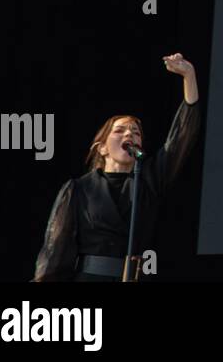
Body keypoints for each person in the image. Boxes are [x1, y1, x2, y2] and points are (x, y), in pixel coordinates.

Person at [32, 53, 202, 282]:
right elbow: (55, 249)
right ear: (101, 148)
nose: (130, 134)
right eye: (120, 130)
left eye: (136, 132)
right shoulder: (79, 189)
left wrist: (189, 76)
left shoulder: (149, 179)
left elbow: (181, 138)